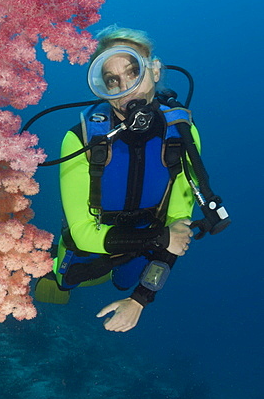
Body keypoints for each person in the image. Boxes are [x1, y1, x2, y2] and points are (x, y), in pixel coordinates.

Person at [36, 25, 197, 332]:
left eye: (134, 72)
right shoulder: (81, 139)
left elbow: (179, 224)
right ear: (103, 89)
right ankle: (52, 267)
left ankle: (121, 279)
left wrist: (140, 299)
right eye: (112, 81)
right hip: (93, 239)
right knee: (64, 281)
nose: (126, 89)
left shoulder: (183, 135)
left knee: (125, 284)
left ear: (156, 71)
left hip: (144, 244)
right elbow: (82, 232)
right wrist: (161, 238)